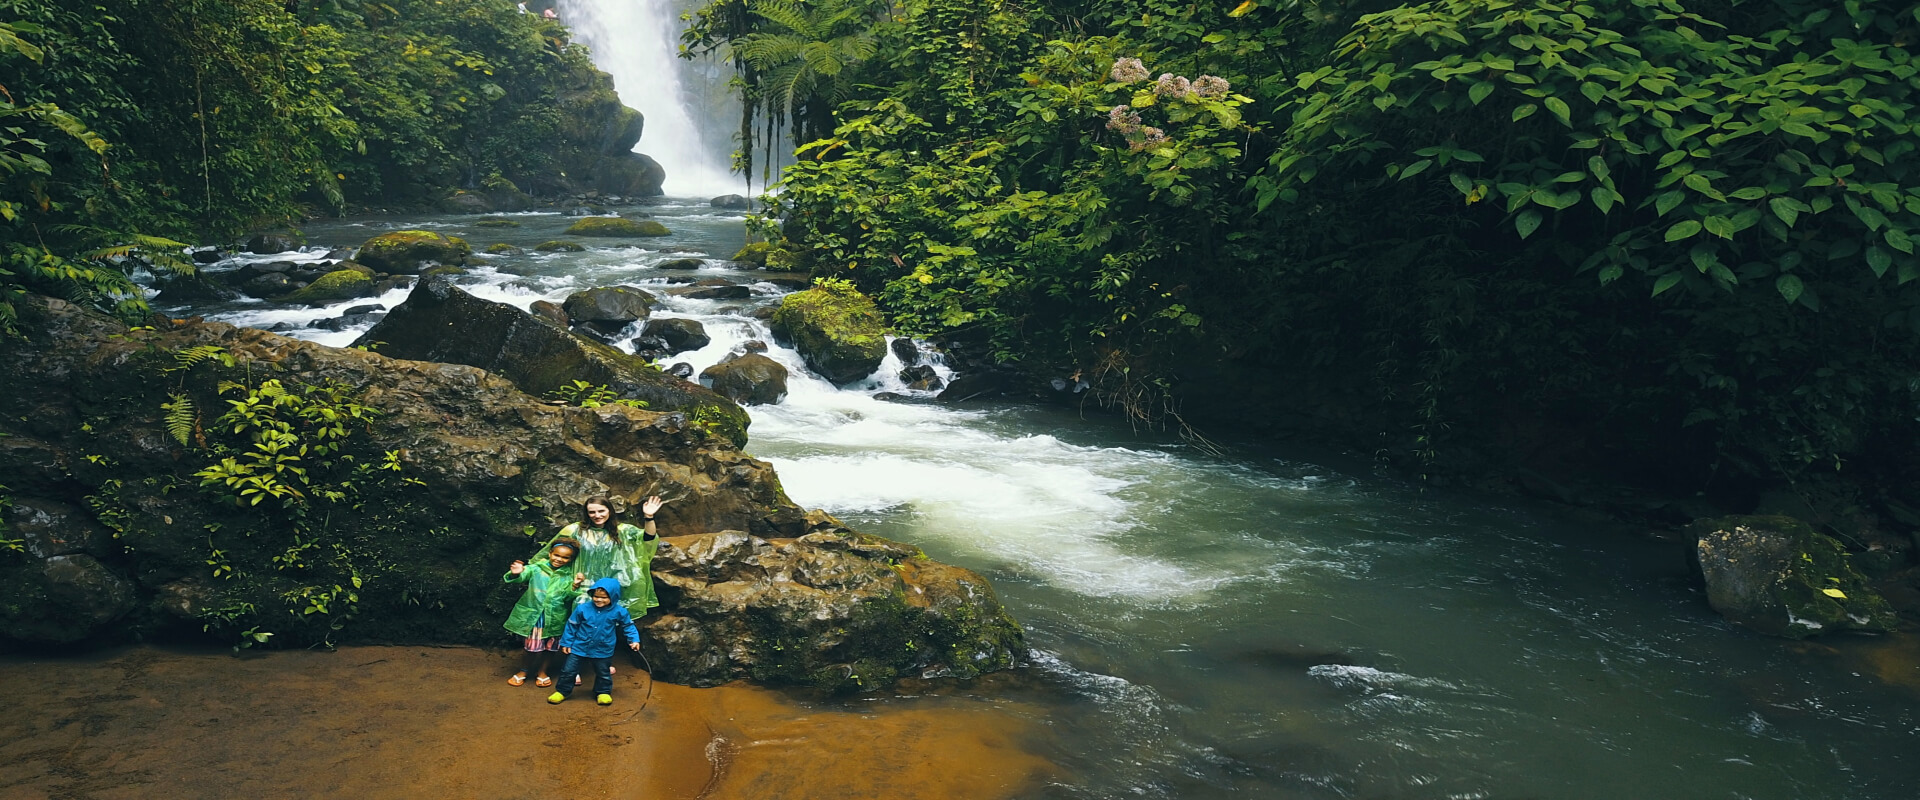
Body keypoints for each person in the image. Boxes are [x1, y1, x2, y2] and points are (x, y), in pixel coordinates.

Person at [533, 496, 663, 618]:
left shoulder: (623, 531)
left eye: (601, 511)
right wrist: (530, 570)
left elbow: (648, 538)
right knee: (581, 614)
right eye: (592, 512)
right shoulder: (574, 530)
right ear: (587, 513)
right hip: (582, 584)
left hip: (611, 584)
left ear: (610, 511)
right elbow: (551, 551)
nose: (597, 515)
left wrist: (649, 517)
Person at [502, 539, 586, 687]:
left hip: (555, 618)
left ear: (571, 559)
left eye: (565, 557)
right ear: (550, 553)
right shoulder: (536, 569)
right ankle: (524, 670)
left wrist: (575, 585)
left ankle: (542, 671)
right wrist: (516, 574)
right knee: (531, 647)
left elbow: (567, 597)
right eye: (556, 555)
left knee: (551, 648)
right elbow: (523, 574)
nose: (559, 559)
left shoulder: (567, 576)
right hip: (536, 617)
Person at [547, 579, 641, 706]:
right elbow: (572, 625)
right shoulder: (582, 609)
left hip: (603, 647)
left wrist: (634, 640)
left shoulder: (619, 611)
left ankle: (603, 691)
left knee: (603, 672)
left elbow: (628, 626)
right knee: (568, 670)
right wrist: (566, 643)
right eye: (596, 596)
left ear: (613, 597)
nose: (598, 600)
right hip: (579, 646)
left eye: (604, 598)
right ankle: (562, 691)